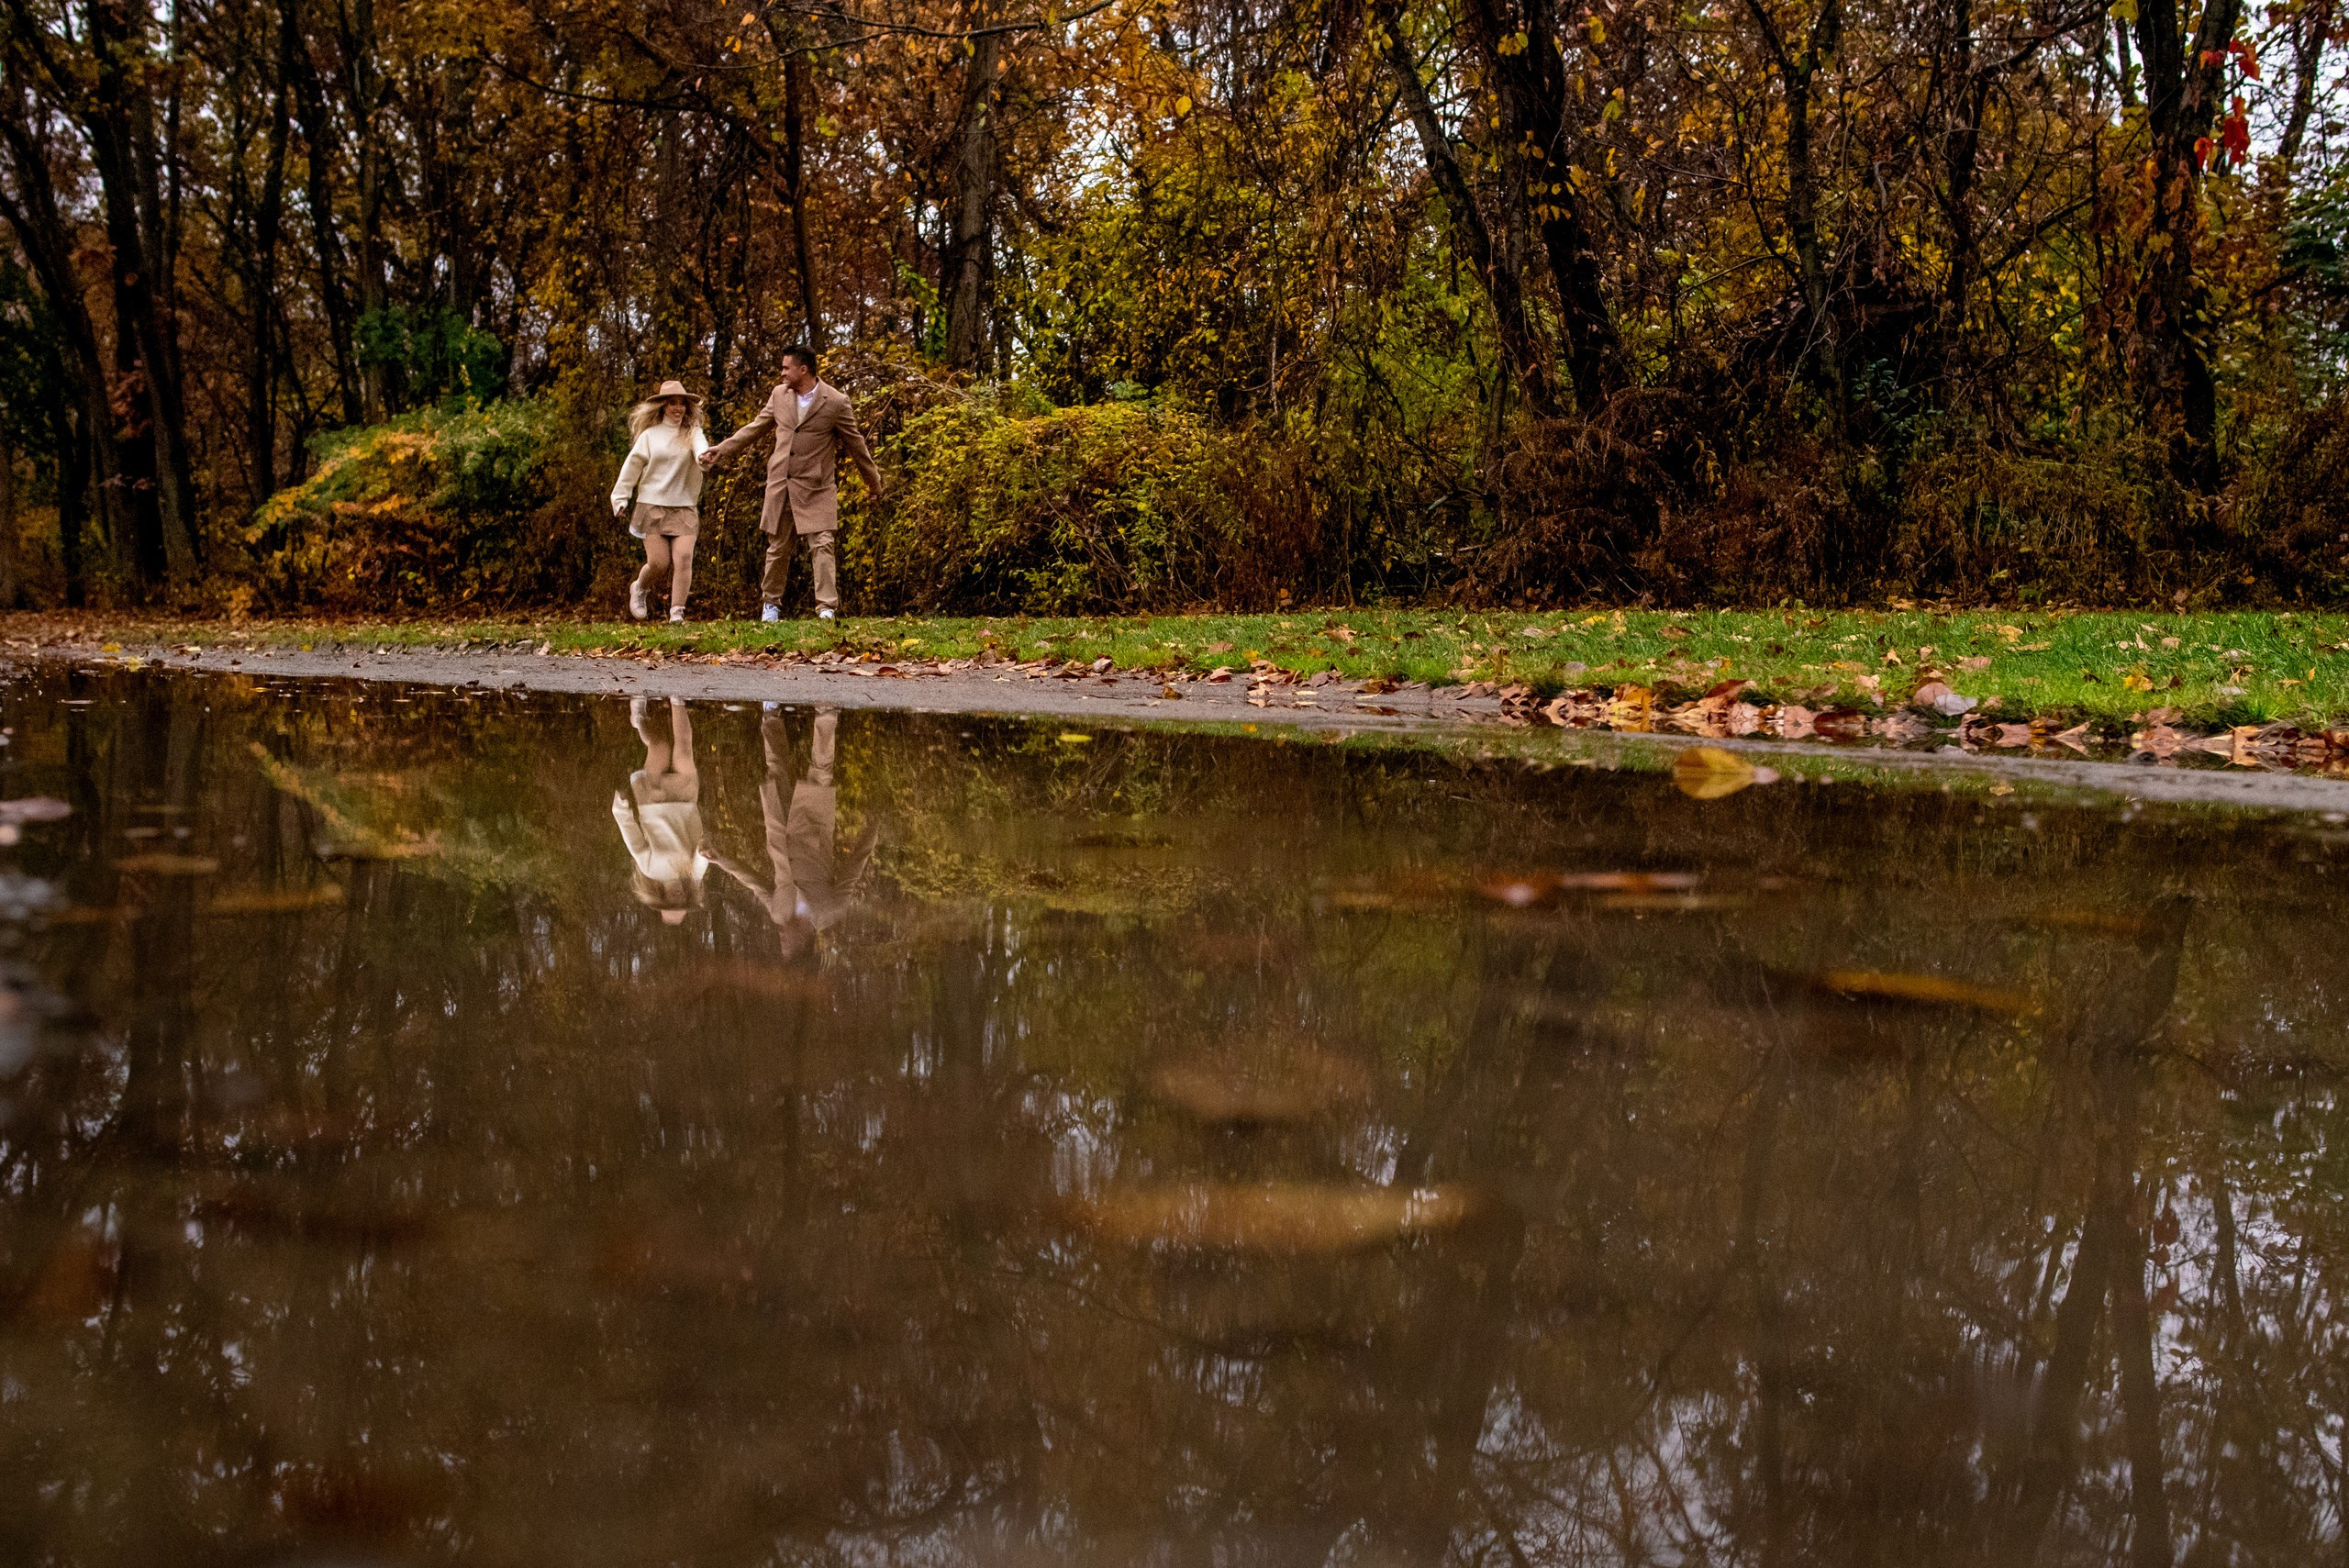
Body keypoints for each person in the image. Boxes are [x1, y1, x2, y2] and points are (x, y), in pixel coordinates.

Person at [698, 345, 883, 622]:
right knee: (778, 547)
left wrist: (873, 483)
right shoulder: (779, 395)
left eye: (786, 368)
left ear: (803, 369)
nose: (782, 373)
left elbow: (856, 444)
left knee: (822, 544)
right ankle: (770, 606)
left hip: (817, 486)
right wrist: (722, 449)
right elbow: (755, 427)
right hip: (781, 484)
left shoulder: (835, 402)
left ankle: (826, 609)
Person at [710, 706, 878, 958]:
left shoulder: (778, 913)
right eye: (786, 942)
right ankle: (826, 714)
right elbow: (853, 868)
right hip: (813, 830)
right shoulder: (831, 910)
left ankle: (771, 715)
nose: (781, 936)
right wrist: (873, 831)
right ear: (803, 941)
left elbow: (753, 882)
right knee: (821, 774)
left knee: (777, 770)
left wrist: (720, 860)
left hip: (778, 830)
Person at [611, 379, 709, 623]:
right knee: (658, 563)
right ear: (663, 407)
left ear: (688, 408)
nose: (678, 408)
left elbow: (701, 449)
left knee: (685, 557)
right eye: (672, 403)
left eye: (682, 404)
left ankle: (677, 613)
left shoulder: (693, 433)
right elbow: (632, 467)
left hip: (684, 505)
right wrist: (621, 498)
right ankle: (640, 587)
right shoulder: (650, 436)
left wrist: (703, 458)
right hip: (652, 504)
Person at [612, 696, 707, 924]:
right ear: (688, 898)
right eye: (682, 903)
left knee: (660, 746)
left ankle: (640, 720)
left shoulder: (651, 871)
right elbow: (703, 854)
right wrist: (707, 851)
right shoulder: (693, 874)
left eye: (671, 903)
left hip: (653, 803)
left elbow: (631, 837)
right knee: (683, 751)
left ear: (661, 898)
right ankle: (678, 699)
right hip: (685, 802)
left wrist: (621, 808)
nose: (677, 898)